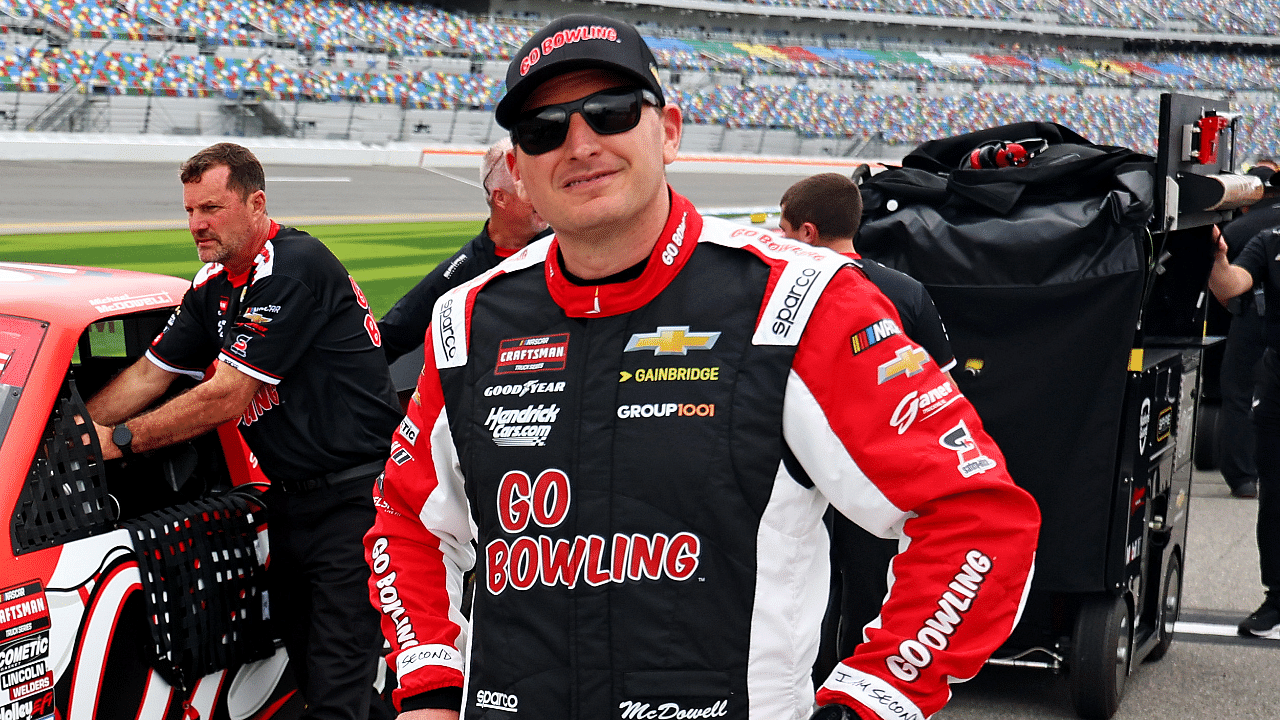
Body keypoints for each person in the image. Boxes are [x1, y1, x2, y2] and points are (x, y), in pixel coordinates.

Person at [365, 15, 1039, 720]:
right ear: (521, 171)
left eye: (612, 111)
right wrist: (430, 685)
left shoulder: (802, 301)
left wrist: (873, 696)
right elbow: (406, 519)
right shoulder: (468, 320)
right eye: (544, 128)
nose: (581, 142)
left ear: (670, 131)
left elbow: (977, 517)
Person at [86, 142, 400, 720]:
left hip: (355, 503)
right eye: (189, 211)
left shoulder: (294, 267)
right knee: (316, 676)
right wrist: (77, 433)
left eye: (211, 208)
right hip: (290, 503)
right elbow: (150, 375)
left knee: (337, 685)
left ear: (256, 203)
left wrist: (121, 441)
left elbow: (227, 396)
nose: (196, 224)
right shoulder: (214, 284)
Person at [778, 172, 960, 673]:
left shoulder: (775, 294)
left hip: (793, 471)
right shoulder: (907, 291)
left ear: (807, 233)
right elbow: (941, 392)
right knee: (868, 595)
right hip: (877, 472)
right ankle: (859, 693)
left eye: (784, 230)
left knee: (797, 590)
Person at [378, 137, 551, 396]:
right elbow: (393, 335)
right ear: (500, 198)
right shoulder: (460, 272)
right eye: (530, 187)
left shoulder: (570, 247)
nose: (546, 195)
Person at [1209, 174, 1280, 637]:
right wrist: (1216, 258)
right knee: (1273, 496)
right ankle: (1277, 597)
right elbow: (1230, 285)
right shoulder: (1269, 240)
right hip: (1279, 378)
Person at [1215, 161, 1280, 499]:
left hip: (1250, 320)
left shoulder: (1244, 227)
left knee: (1239, 396)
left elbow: (1226, 285)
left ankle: (1243, 477)